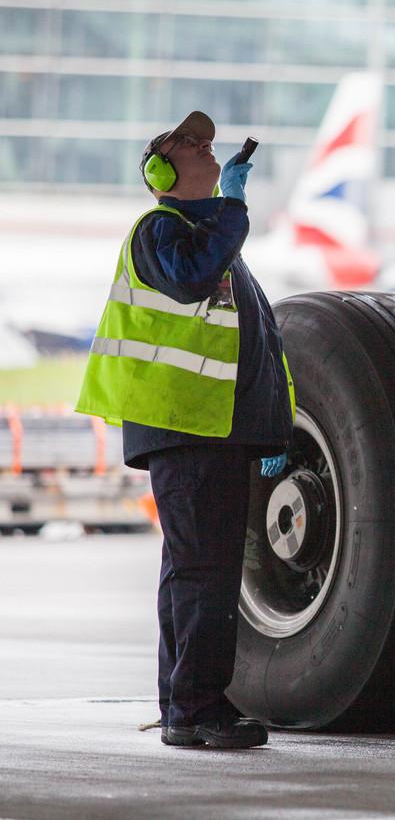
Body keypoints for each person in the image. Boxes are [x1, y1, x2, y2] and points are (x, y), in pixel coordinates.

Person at [76, 111, 295, 749]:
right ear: (160, 172)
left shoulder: (212, 239)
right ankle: (200, 710)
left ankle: (185, 707)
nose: (207, 151)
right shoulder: (160, 231)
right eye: (190, 147)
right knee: (205, 575)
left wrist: (271, 432)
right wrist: (231, 205)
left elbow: (251, 347)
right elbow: (190, 277)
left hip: (211, 433)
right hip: (187, 430)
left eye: (209, 145)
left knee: (192, 571)